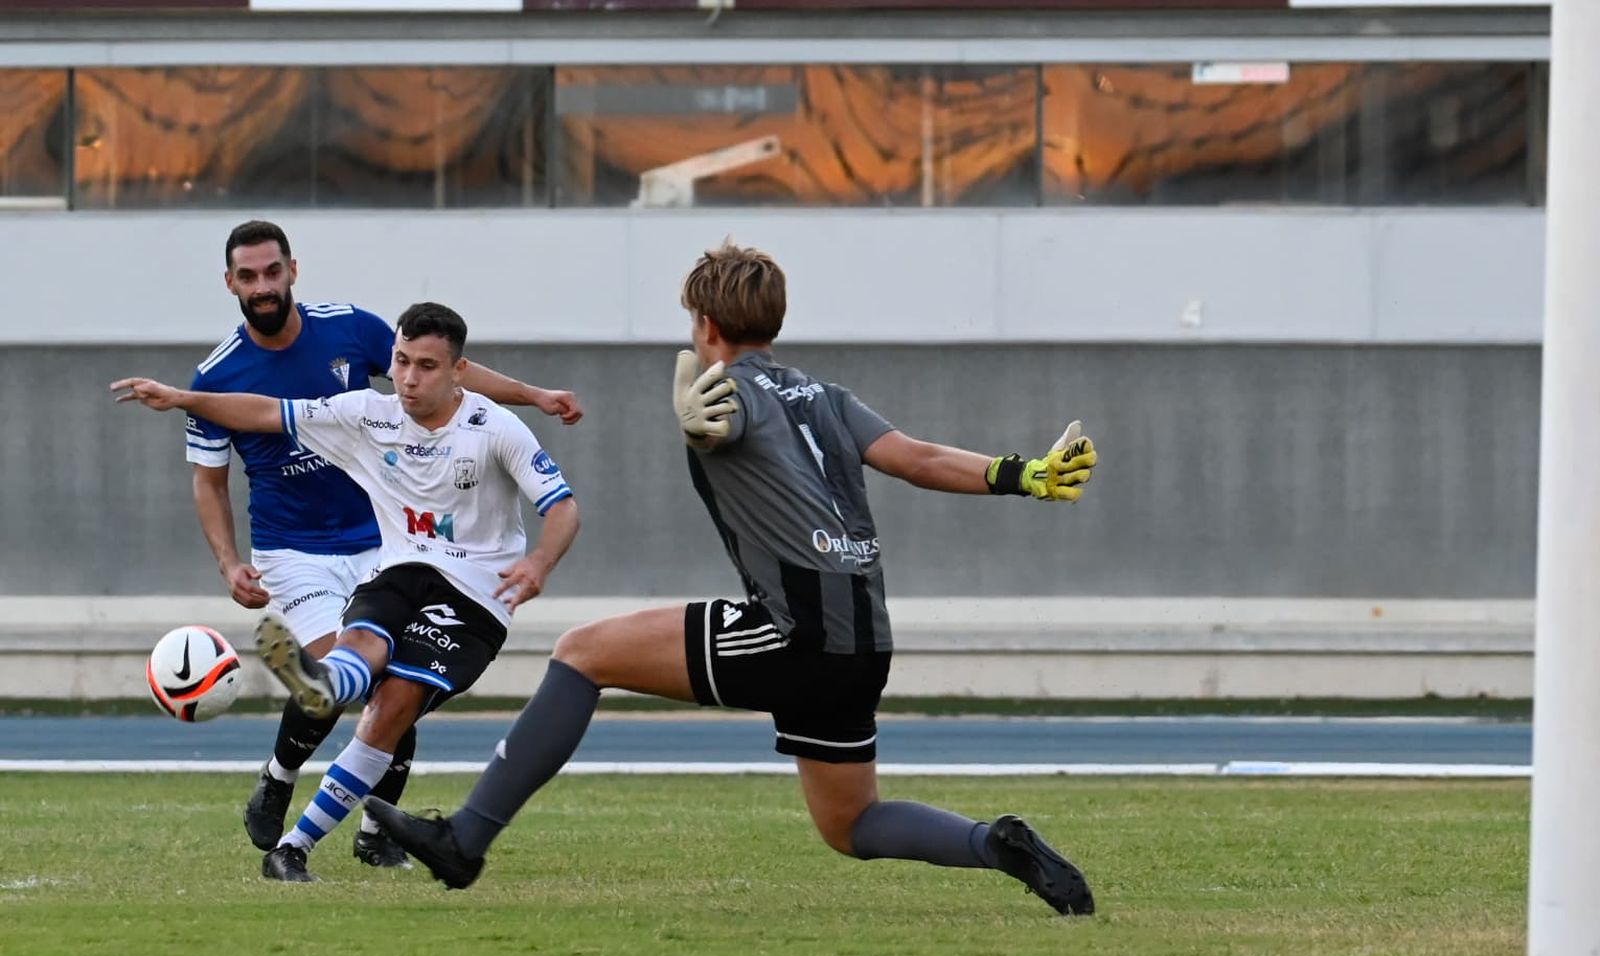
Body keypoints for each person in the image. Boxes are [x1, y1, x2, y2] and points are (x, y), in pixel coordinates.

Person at [365, 241, 1100, 917]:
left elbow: (718, 422)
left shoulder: (727, 393)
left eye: (692, 318)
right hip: (864, 637)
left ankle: (464, 840)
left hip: (795, 630)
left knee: (581, 651)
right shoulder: (826, 396)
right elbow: (918, 456)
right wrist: (1024, 473)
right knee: (851, 822)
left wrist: (697, 424)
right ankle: (994, 843)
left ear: (706, 321)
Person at [115, 301, 582, 883]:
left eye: (428, 366)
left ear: (459, 370)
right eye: (402, 362)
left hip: (477, 598)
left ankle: (296, 841)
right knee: (358, 642)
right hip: (399, 571)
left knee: (391, 708)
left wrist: (538, 563)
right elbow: (263, 412)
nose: (409, 379)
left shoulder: (494, 428)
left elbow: (562, 508)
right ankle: (321, 696)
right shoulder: (366, 414)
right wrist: (183, 399)